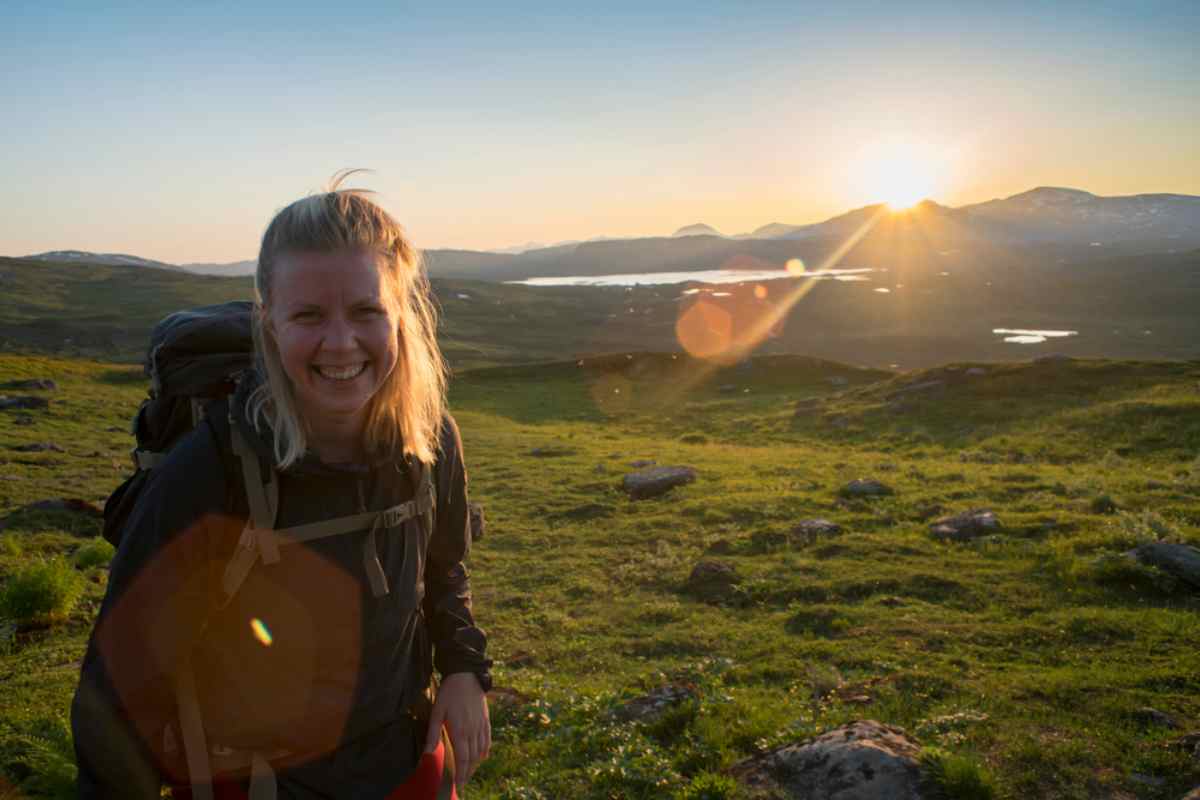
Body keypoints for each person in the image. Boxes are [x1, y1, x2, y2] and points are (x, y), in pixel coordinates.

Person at [71, 176, 492, 799]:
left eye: (367, 310)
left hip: (408, 769)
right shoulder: (213, 469)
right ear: (269, 324)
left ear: (401, 316)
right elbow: (118, 689)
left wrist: (462, 668)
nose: (341, 342)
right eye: (308, 315)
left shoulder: (429, 443)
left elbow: (444, 568)